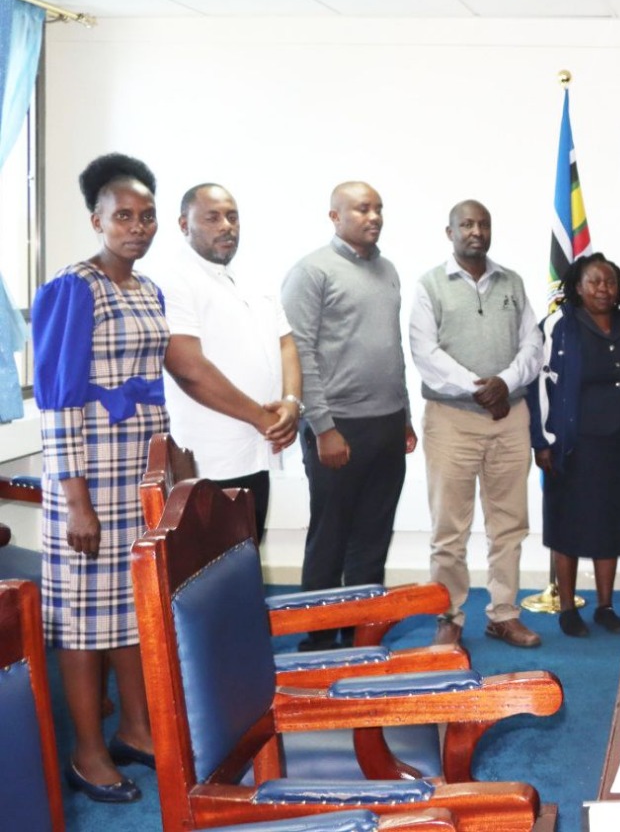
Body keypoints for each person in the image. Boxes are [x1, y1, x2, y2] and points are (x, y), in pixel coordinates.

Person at [32, 153, 165, 802]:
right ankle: (88, 753)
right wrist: (77, 503)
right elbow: (57, 404)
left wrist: (168, 465)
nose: (135, 227)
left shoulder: (148, 290)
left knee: (132, 615)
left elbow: (153, 389)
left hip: (136, 482)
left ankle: (137, 730)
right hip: (86, 486)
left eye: (145, 216)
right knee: (85, 625)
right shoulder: (72, 288)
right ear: (96, 220)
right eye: (122, 216)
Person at [281, 181, 415, 651]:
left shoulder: (388, 270)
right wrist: (323, 427)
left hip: (386, 423)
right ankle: (316, 641)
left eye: (378, 208)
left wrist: (405, 416)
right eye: (362, 209)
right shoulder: (312, 271)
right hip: (337, 426)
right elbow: (300, 354)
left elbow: (390, 347)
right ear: (335, 216)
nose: (373, 216)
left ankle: (360, 633)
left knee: (373, 537)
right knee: (331, 537)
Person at [409, 200, 543, 649]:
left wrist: (505, 383)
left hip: (510, 418)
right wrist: (480, 388)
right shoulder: (430, 285)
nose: (476, 231)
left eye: (483, 223)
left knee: (509, 523)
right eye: (466, 224)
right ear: (449, 232)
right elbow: (425, 354)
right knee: (450, 527)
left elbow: (533, 344)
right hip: (453, 422)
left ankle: (503, 613)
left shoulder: (513, 283)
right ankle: (448, 616)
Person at [160, 183, 301, 543]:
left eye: (232, 217)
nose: (227, 225)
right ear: (183, 224)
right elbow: (189, 369)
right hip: (210, 459)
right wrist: (263, 418)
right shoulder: (174, 280)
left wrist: (290, 403)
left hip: (257, 451)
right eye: (213, 218)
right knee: (212, 568)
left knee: (248, 552)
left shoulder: (252, 275)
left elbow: (286, 342)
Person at [531, 253, 620, 638]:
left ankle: (604, 606)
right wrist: (542, 441)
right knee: (567, 523)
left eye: (610, 282)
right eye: (594, 282)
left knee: (611, 524)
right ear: (577, 287)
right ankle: (567, 608)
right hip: (572, 444)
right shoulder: (558, 325)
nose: (603, 289)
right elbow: (536, 386)